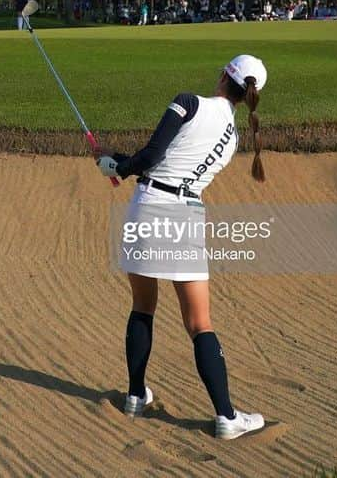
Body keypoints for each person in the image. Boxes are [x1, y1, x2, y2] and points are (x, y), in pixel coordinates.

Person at [94, 54, 269, 440]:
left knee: (143, 306)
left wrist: (118, 168)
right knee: (199, 324)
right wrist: (122, 163)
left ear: (224, 74)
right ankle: (226, 416)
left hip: (147, 207)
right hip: (185, 215)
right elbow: (168, 164)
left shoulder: (188, 103)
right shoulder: (235, 139)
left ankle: (136, 395)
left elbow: (153, 158)